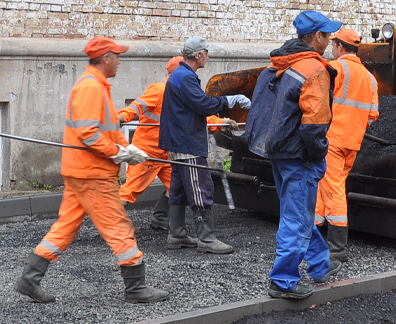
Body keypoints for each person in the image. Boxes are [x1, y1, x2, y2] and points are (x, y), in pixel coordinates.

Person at [14, 37, 169, 304]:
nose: (120, 61)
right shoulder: (90, 87)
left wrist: (128, 149)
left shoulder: (97, 86)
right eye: (117, 56)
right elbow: (88, 133)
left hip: (83, 172)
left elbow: (108, 128)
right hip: (94, 174)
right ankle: (136, 288)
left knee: (66, 226)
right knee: (119, 227)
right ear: (106, 57)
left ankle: (29, 279)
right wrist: (118, 153)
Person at [246, 11, 345, 299]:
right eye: (326, 36)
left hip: (279, 151)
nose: (328, 41)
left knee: (297, 212)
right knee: (297, 217)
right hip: (300, 154)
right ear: (317, 37)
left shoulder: (278, 63)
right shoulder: (314, 69)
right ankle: (283, 281)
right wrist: (319, 152)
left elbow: (262, 110)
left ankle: (319, 265)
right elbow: (314, 125)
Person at [118, 56, 235, 233]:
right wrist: (122, 117)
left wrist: (222, 122)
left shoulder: (183, 91)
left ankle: (160, 217)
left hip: (167, 151)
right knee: (130, 191)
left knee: (176, 187)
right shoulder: (159, 90)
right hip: (147, 152)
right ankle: (114, 226)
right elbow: (137, 106)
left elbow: (199, 117)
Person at [159, 37, 250, 254]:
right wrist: (230, 100)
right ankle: (206, 239)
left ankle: (177, 234)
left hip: (178, 141)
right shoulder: (185, 77)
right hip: (187, 142)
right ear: (198, 55)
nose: (208, 56)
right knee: (200, 188)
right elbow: (202, 104)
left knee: (179, 189)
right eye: (206, 52)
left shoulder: (180, 75)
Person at [315, 28, 379, 263]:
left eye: (334, 45)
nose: (332, 49)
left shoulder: (337, 68)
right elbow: (372, 114)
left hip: (332, 139)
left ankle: (337, 248)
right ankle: (312, 233)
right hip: (353, 142)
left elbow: (320, 100)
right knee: (329, 184)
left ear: (340, 47)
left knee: (333, 190)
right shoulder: (370, 78)